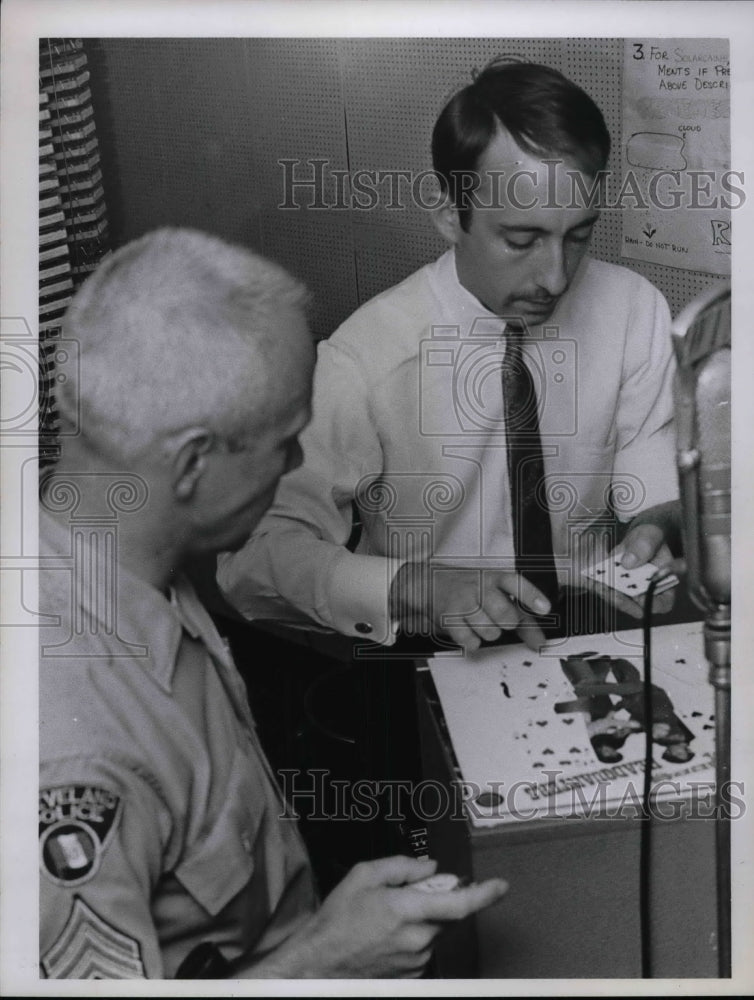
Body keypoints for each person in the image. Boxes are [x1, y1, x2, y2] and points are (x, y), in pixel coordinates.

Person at [38, 228, 508, 980]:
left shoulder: (125, 567)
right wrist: (324, 960)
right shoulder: (70, 753)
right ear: (193, 461)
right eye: (285, 441)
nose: (297, 465)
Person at [217, 61, 680, 652]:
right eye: (522, 240)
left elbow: (652, 485)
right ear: (447, 214)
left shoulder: (633, 311)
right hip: (432, 650)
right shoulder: (368, 356)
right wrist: (412, 586)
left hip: (592, 634)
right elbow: (253, 560)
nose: (557, 278)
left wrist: (654, 529)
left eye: (579, 235)